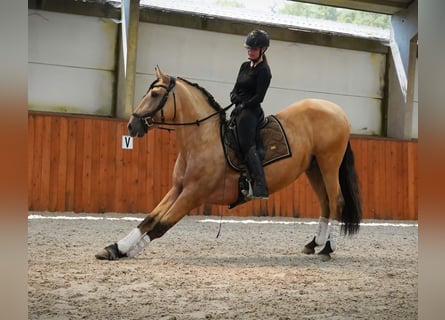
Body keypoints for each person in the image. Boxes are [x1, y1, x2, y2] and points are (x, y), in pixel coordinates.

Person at [230, 29, 272, 199]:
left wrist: (243, 104)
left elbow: (259, 97)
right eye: (248, 48)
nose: (250, 51)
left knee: (246, 143)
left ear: (263, 49)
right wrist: (233, 96)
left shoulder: (264, 71)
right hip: (239, 106)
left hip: (251, 111)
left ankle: (260, 184)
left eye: (253, 49)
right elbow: (236, 87)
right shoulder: (244, 66)